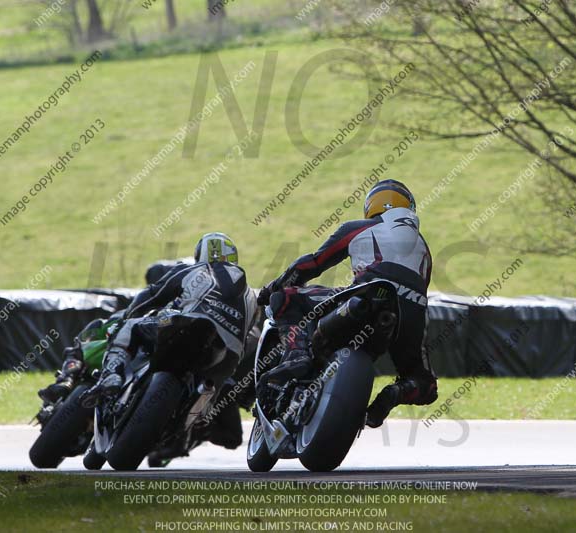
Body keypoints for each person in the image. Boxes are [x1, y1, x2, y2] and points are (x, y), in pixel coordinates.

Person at [256, 179, 437, 428]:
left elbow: (311, 264)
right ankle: (393, 394)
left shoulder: (360, 228)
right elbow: (419, 287)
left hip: (367, 292)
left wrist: (271, 288)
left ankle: (296, 356)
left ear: (371, 204)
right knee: (425, 384)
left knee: (285, 297)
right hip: (413, 313)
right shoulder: (425, 249)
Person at [84, 232, 257, 448]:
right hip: (227, 354)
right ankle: (196, 418)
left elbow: (153, 295)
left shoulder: (193, 270)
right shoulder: (251, 295)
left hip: (186, 327)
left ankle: (111, 374)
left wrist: (129, 315)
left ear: (199, 254)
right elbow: (250, 335)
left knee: (130, 326)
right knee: (215, 394)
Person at [37, 261, 185, 404]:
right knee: (100, 325)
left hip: (159, 345)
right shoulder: (149, 300)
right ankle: (67, 378)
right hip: (138, 328)